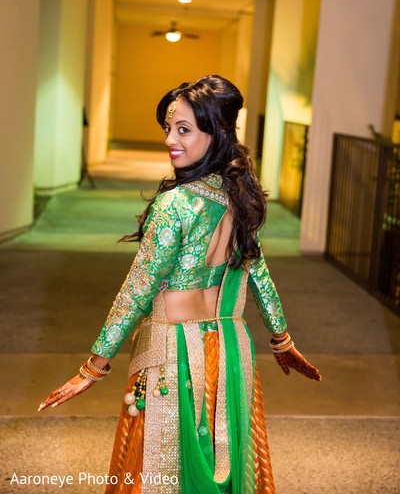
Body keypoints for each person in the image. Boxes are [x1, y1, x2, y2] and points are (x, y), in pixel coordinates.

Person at [38, 75, 321, 493]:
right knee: (224, 460)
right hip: (229, 349)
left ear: (217, 132)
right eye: (169, 128)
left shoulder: (176, 204)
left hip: (175, 354)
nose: (171, 140)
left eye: (184, 129)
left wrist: (93, 367)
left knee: (161, 470)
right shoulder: (239, 196)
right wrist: (281, 339)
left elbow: (138, 288)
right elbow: (257, 272)